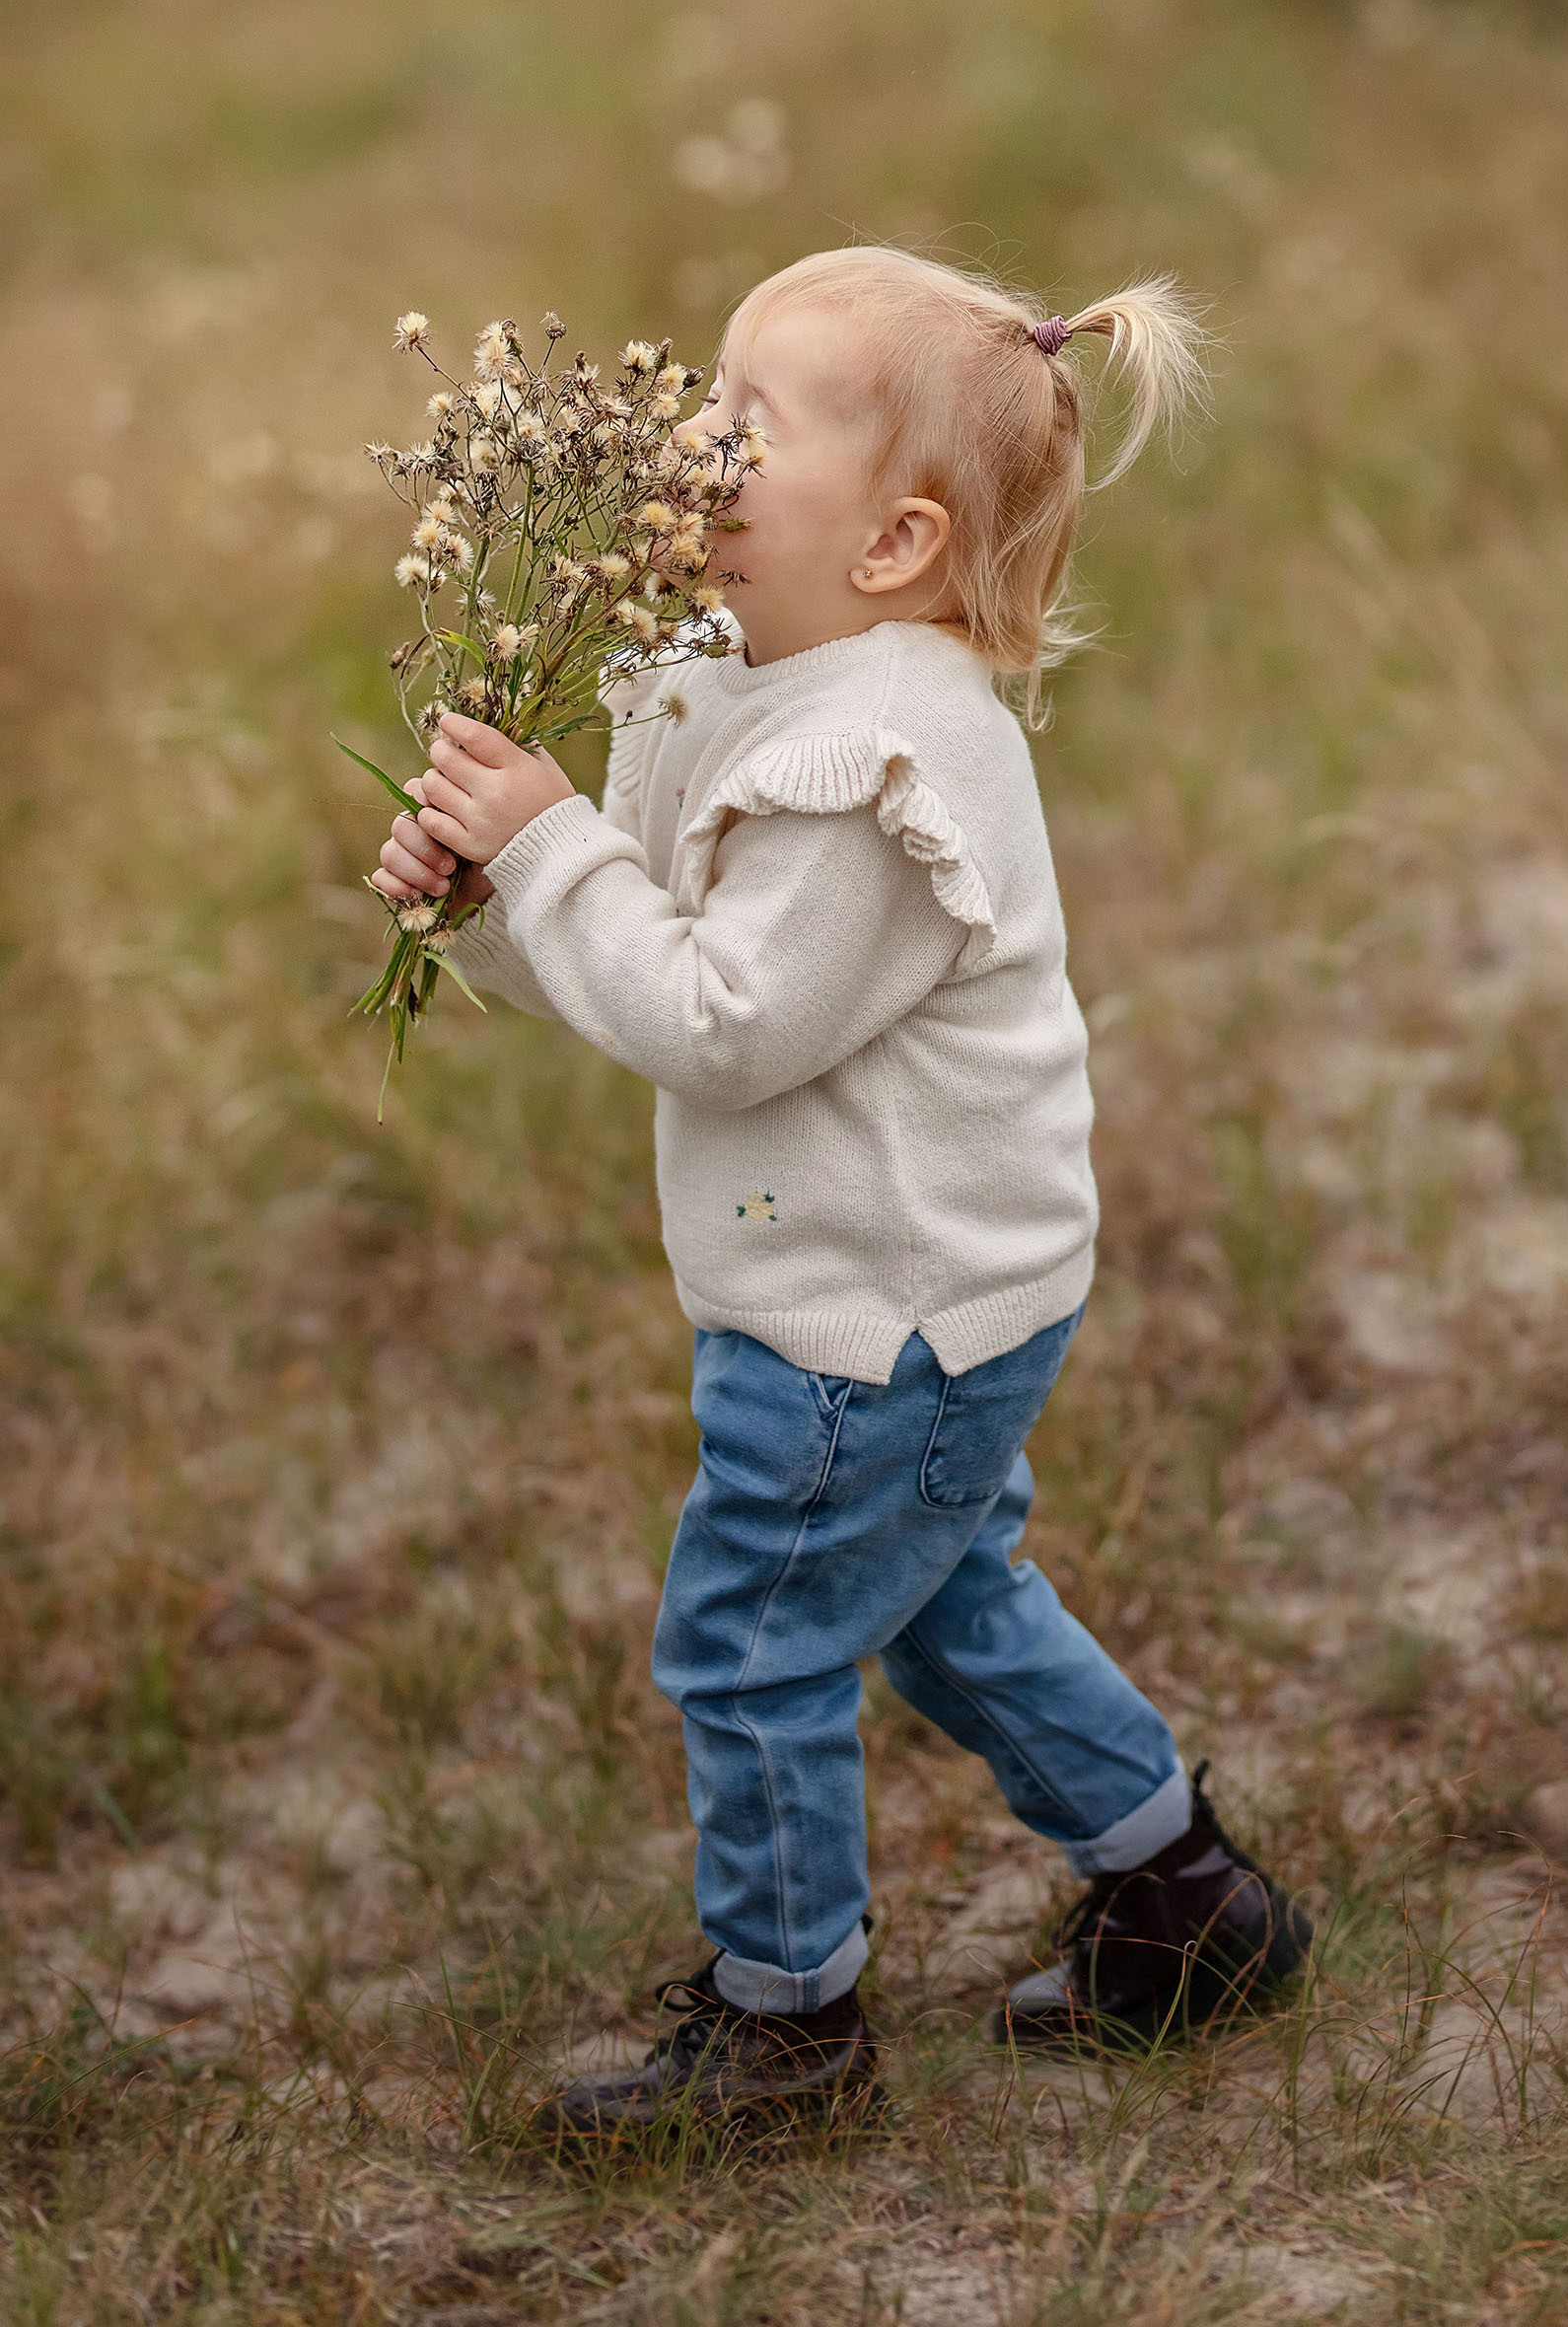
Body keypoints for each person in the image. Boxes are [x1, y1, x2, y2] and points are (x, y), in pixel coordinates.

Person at [370, 245, 1310, 2143]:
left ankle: (787, 2031)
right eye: (703, 394)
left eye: (744, 423)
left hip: (868, 1323)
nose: (687, 441)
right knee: (945, 1598)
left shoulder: (874, 757)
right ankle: (1188, 1905)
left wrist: (550, 847)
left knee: (753, 1637)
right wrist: (507, 890)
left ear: (890, 544)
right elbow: (664, 970)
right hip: (929, 1291)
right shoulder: (768, 680)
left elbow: (724, 1023)